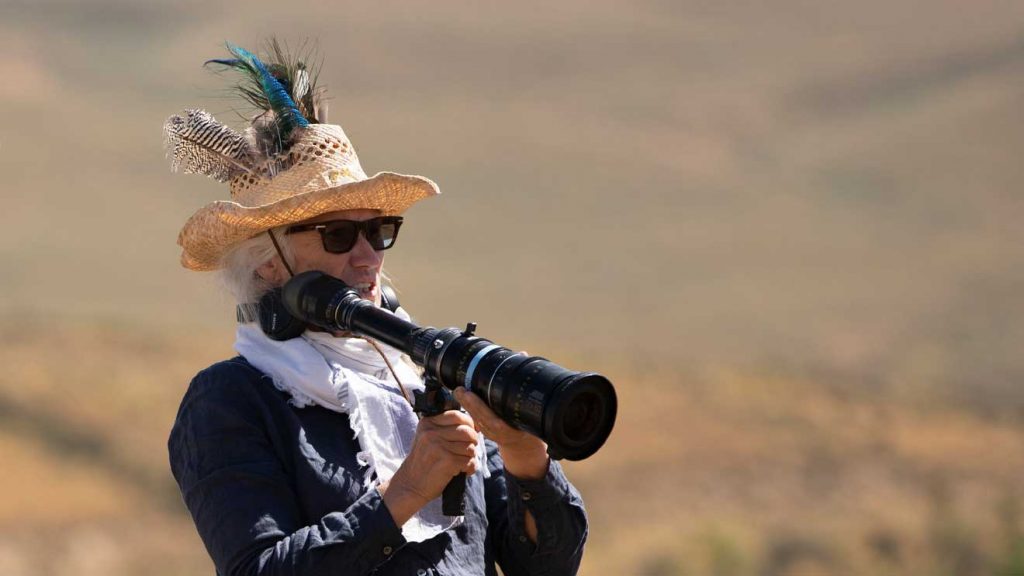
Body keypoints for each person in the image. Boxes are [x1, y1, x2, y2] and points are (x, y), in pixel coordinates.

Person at [165, 42, 588, 575]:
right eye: (337, 234)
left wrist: (528, 460)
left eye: (378, 231)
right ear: (266, 262)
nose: (368, 257)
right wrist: (407, 490)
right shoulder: (230, 400)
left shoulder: (429, 372)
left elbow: (545, 568)